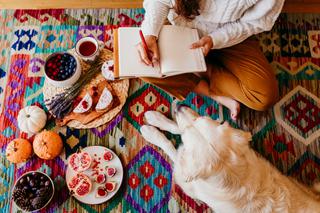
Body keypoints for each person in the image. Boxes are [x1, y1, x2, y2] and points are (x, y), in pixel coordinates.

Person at [136, 0, 285, 120]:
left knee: (265, 97)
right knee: (140, 64)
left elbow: (254, 22)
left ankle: (199, 69)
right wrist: (150, 34)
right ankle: (212, 92)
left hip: (232, 35)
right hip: (181, 25)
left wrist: (215, 39)